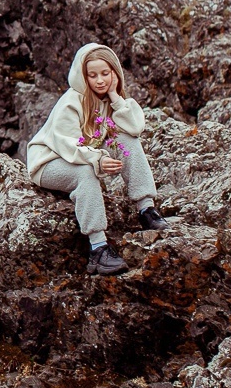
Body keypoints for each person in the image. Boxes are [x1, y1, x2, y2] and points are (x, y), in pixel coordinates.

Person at [26, 43, 169, 276]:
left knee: (126, 140)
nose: (100, 80)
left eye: (105, 73)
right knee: (86, 172)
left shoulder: (108, 99)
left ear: (115, 72)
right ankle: (98, 248)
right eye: (92, 75)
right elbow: (66, 143)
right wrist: (98, 159)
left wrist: (115, 96)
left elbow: (134, 128)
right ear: (84, 76)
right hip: (49, 162)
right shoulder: (72, 101)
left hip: (83, 154)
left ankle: (146, 209)